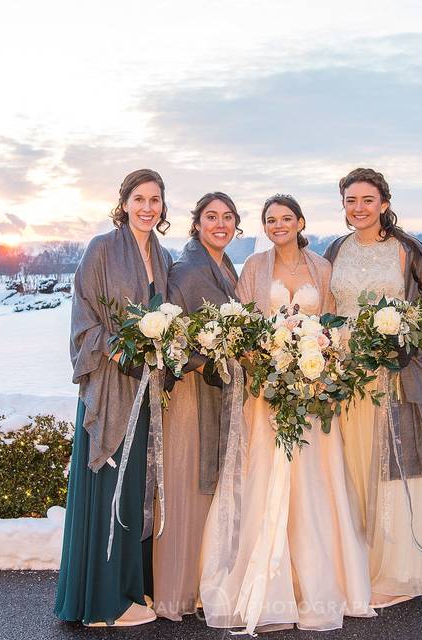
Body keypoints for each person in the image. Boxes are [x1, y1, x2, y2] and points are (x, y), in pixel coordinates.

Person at [199, 194, 375, 633]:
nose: (279, 225)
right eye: (270, 220)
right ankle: (267, 583)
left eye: (285, 218)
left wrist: (319, 359)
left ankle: (314, 585)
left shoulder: (322, 268)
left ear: (300, 222)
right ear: (264, 226)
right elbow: (241, 326)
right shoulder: (254, 268)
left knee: (313, 484)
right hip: (265, 394)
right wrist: (268, 355)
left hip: (311, 394)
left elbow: (334, 326)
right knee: (262, 477)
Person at [55, 169, 173, 627]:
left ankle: (131, 587)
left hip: (147, 387)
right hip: (110, 384)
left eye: (155, 200)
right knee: (109, 482)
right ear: (123, 203)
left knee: (138, 486)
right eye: (139, 199)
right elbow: (83, 318)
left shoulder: (161, 256)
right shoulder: (101, 249)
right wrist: (118, 345)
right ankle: (103, 602)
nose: (147, 207)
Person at [325, 167, 422, 608]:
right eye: (351, 201)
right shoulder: (335, 249)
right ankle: (355, 565)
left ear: (384, 204)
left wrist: (401, 346)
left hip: (392, 375)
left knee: (390, 466)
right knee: (352, 469)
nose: (359, 208)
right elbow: (328, 307)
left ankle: (394, 571)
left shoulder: (408, 251)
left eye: (367, 201)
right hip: (346, 378)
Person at [152, 192, 241, 620]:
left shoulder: (224, 266)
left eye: (227, 218)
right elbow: (173, 334)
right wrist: (206, 357)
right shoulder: (188, 269)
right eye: (211, 217)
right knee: (189, 481)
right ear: (197, 223)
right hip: (191, 393)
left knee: (208, 483)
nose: (219, 224)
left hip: (215, 388)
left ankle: (206, 578)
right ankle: (179, 588)